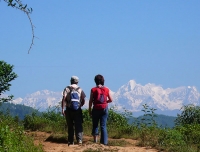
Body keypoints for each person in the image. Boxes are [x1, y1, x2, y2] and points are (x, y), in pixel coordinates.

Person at [89, 74, 113, 145]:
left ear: (95, 81)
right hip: (104, 108)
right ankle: (104, 142)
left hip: (96, 108)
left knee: (95, 124)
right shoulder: (106, 89)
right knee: (103, 125)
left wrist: (90, 110)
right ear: (103, 81)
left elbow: (90, 101)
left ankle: (95, 141)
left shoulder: (93, 89)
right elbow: (111, 99)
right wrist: (106, 102)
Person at [61, 76, 86, 146]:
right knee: (78, 125)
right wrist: (80, 105)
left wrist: (63, 109)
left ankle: (70, 141)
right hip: (77, 110)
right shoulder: (80, 89)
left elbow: (63, 99)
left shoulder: (67, 88)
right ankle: (79, 140)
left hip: (69, 110)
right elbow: (83, 100)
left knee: (70, 126)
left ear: (71, 81)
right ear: (77, 82)